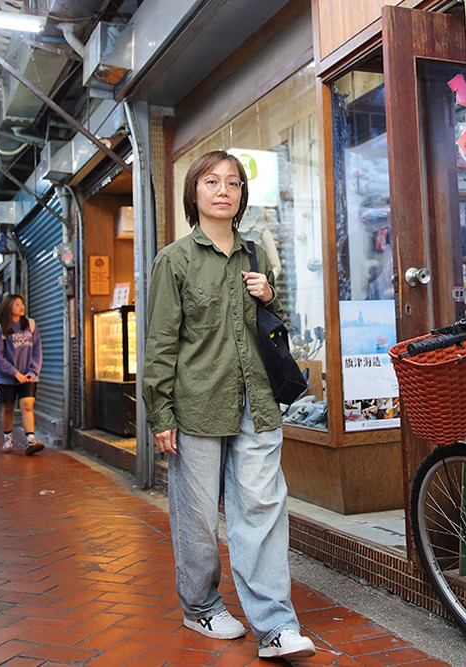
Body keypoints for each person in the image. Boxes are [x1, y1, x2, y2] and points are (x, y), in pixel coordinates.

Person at [142, 150, 315, 660]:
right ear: (194, 193)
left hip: (256, 402)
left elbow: (276, 328)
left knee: (262, 509)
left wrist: (269, 296)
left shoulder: (256, 254)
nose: (223, 190)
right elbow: (160, 343)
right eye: (212, 182)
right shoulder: (174, 259)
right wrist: (160, 412)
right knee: (197, 516)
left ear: (242, 194)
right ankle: (200, 606)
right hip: (196, 404)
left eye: (233, 183)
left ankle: (276, 626)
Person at [0, 293, 44, 456]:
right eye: (17, 304)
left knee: (27, 405)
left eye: (22, 304)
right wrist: (14, 373)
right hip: (7, 377)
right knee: (7, 408)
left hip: (28, 376)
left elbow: (37, 351)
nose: (21, 307)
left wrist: (32, 371)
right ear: (8, 307)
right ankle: (8, 439)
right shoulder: (2, 329)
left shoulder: (31, 325)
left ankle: (30, 440)